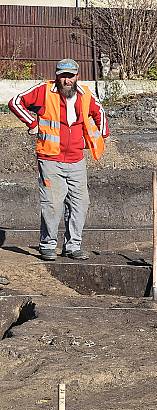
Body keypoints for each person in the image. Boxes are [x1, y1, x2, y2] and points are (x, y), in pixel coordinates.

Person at [8, 59, 109, 261]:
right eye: (63, 75)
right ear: (57, 75)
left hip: (76, 159)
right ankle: (47, 244)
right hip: (50, 158)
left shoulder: (86, 94)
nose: (67, 80)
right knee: (52, 204)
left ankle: (73, 246)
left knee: (80, 203)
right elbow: (15, 102)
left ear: (77, 76)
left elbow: (100, 114)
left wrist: (104, 133)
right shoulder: (44, 91)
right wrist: (31, 122)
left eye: (70, 76)